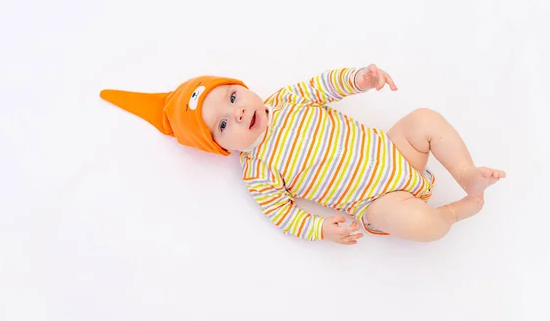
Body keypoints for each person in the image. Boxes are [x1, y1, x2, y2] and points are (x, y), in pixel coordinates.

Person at [99, 64, 506, 245]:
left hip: (395, 151)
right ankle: (453, 211)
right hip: (378, 202)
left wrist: (358, 79)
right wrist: (321, 229)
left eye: (233, 96)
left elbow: (324, 86)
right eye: (223, 125)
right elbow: (284, 215)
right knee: (422, 224)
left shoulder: (287, 99)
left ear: (243, 87)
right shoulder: (258, 173)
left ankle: (465, 171)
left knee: (422, 119)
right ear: (221, 148)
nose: (238, 112)